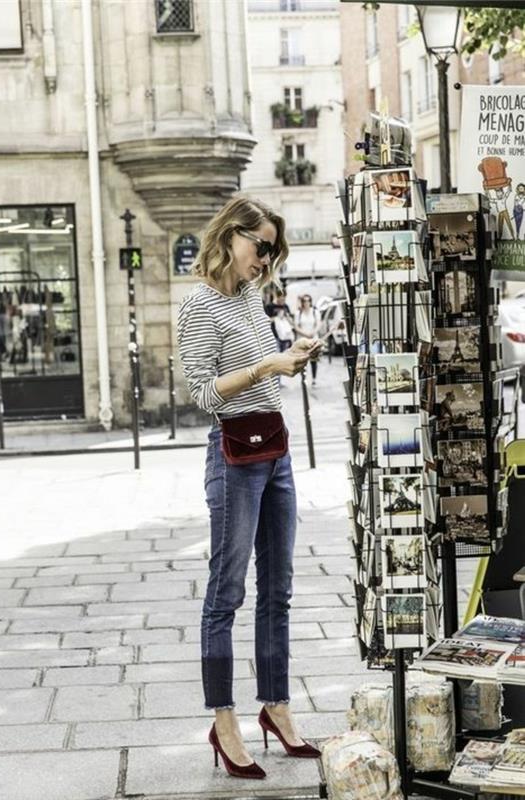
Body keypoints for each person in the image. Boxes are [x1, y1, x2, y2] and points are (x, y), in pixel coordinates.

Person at [177, 196, 322, 780]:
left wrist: (290, 357)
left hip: (277, 449)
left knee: (279, 588)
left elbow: (263, 377)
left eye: (270, 249)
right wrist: (267, 368)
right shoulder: (200, 306)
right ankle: (224, 719)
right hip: (234, 456)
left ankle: (277, 705)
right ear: (230, 237)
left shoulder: (249, 300)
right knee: (227, 591)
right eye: (259, 246)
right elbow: (204, 393)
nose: (264, 258)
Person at [294, 294, 320, 385]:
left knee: (314, 359)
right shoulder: (299, 313)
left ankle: (314, 379)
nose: (306, 303)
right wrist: (305, 334)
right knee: (303, 360)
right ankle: (303, 378)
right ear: (302, 302)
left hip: (313, 339)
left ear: (310, 302)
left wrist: (313, 332)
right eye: (304, 301)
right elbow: (296, 326)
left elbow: (318, 324)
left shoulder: (315, 312)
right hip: (302, 339)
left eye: (308, 300)